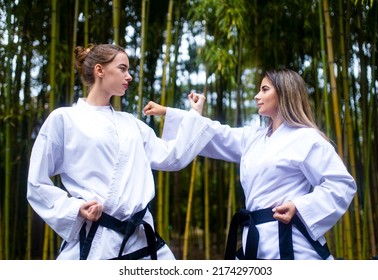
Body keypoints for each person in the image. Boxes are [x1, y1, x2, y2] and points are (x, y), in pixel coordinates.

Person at [26, 43, 216, 260]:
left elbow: (171, 157)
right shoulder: (64, 119)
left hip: (140, 238)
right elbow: (36, 182)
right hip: (98, 240)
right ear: (100, 70)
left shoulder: (131, 124)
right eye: (123, 68)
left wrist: (194, 114)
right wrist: (76, 208)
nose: (130, 76)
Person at [143, 68, 357, 260]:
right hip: (254, 242)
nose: (257, 96)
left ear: (284, 93)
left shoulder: (307, 138)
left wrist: (300, 207)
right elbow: (214, 133)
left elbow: (341, 184)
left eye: (264, 90)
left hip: (291, 243)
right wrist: (173, 113)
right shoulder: (254, 137)